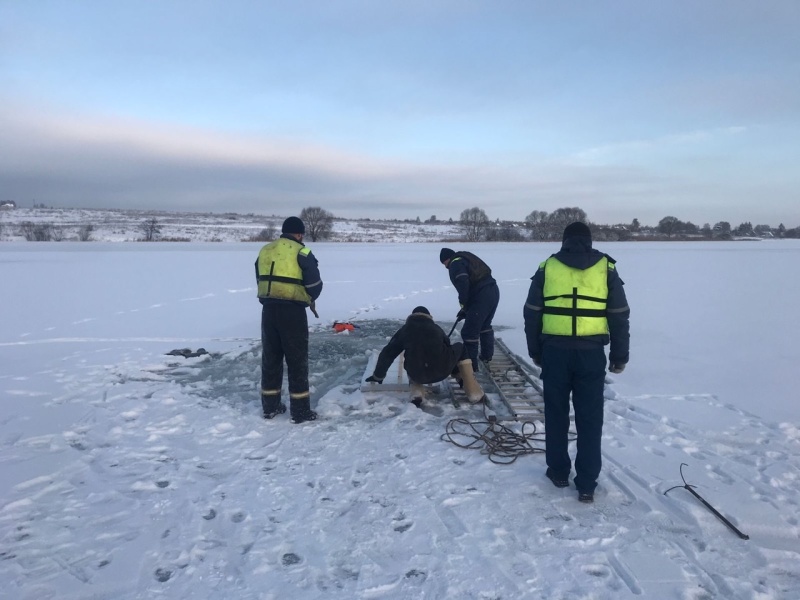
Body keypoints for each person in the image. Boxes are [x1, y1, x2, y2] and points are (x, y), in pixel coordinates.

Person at [523, 221, 630, 503]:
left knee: (556, 414)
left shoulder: (548, 267)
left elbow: (532, 313)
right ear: (590, 241)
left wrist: (535, 351)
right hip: (591, 354)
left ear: (564, 240)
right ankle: (586, 483)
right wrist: (620, 356)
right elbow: (619, 315)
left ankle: (558, 472)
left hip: (555, 353)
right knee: (590, 419)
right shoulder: (606, 268)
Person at [255, 216, 323, 424]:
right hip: (292, 312)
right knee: (297, 361)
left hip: (268, 310)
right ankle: (300, 412)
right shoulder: (302, 252)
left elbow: (259, 276)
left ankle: (270, 407)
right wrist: (309, 297)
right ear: (300, 233)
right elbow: (315, 285)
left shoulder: (265, 250)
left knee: (271, 358)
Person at [364, 306, 485, 405]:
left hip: (418, 374)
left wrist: (378, 376)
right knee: (460, 347)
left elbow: (387, 353)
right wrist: (454, 371)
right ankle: (472, 391)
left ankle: (416, 392)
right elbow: (449, 352)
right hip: (442, 372)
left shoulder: (405, 330)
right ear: (429, 317)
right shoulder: (436, 328)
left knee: (411, 358)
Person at [439, 248, 500, 372]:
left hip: (481, 296)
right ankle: (486, 357)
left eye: (444, 263)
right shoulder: (465, 258)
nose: (445, 266)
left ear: (447, 259)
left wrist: (464, 304)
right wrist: (466, 310)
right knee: (484, 325)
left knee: (469, 333)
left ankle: (471, 367)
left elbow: (463, 284)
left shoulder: (455, 264)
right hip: (493, 291)